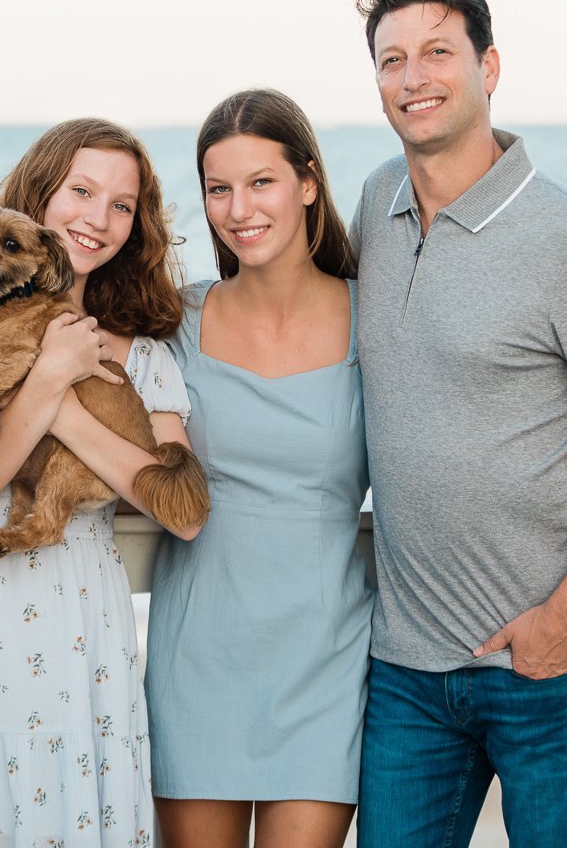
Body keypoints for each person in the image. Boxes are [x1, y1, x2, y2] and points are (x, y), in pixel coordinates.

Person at [349, 0, 567, 847]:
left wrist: (563, 619)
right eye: (393, 60)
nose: (414, 77)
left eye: (437, 52)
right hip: (406, 670)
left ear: (489, 66)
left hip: (550, 667)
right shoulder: (374, 203)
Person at [0, 119, 197, 846]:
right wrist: (45, 373)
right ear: (39, 196)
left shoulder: (145, 358)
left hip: (82, 622)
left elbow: (180, 510)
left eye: (122, 204)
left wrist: (61, 398)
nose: (98, 218)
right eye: (80, 191)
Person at [144, 89, 369, 848]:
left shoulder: (377, 319)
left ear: (308, 182)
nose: (239, 208)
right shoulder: (175, 322)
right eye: (218, 188)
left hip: (326, 662)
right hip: (197, 662)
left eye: (261, 182)